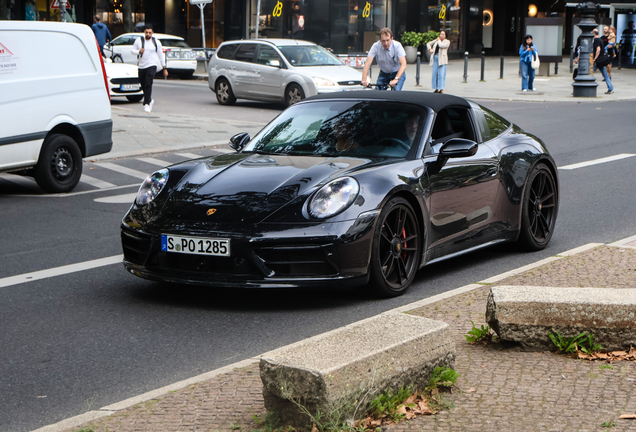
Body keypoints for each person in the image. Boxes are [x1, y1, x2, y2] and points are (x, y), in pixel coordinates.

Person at [131, 25, 168, 113]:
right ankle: (150, 99)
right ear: (144, 32)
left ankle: (146, 103)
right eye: (146, 32)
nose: (148, 34)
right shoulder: (139, 40)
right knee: (143, 84)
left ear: (152, 33)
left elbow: (160, 55)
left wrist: (164, 68)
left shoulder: (156, 42)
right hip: (141, 65)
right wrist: (139, 51)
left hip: (152, 65)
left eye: (150, 33)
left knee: (148, 82)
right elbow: (132, 51)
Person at [593, 28, 613, 94]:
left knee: (589, 73)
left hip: (597, 60)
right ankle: (611, 88)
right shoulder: (601, 40)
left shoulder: (596, 40)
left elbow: (598, 49)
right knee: (606, 75)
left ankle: (584, 87)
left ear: (594, 33)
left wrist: (595, 58)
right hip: (601, 60)